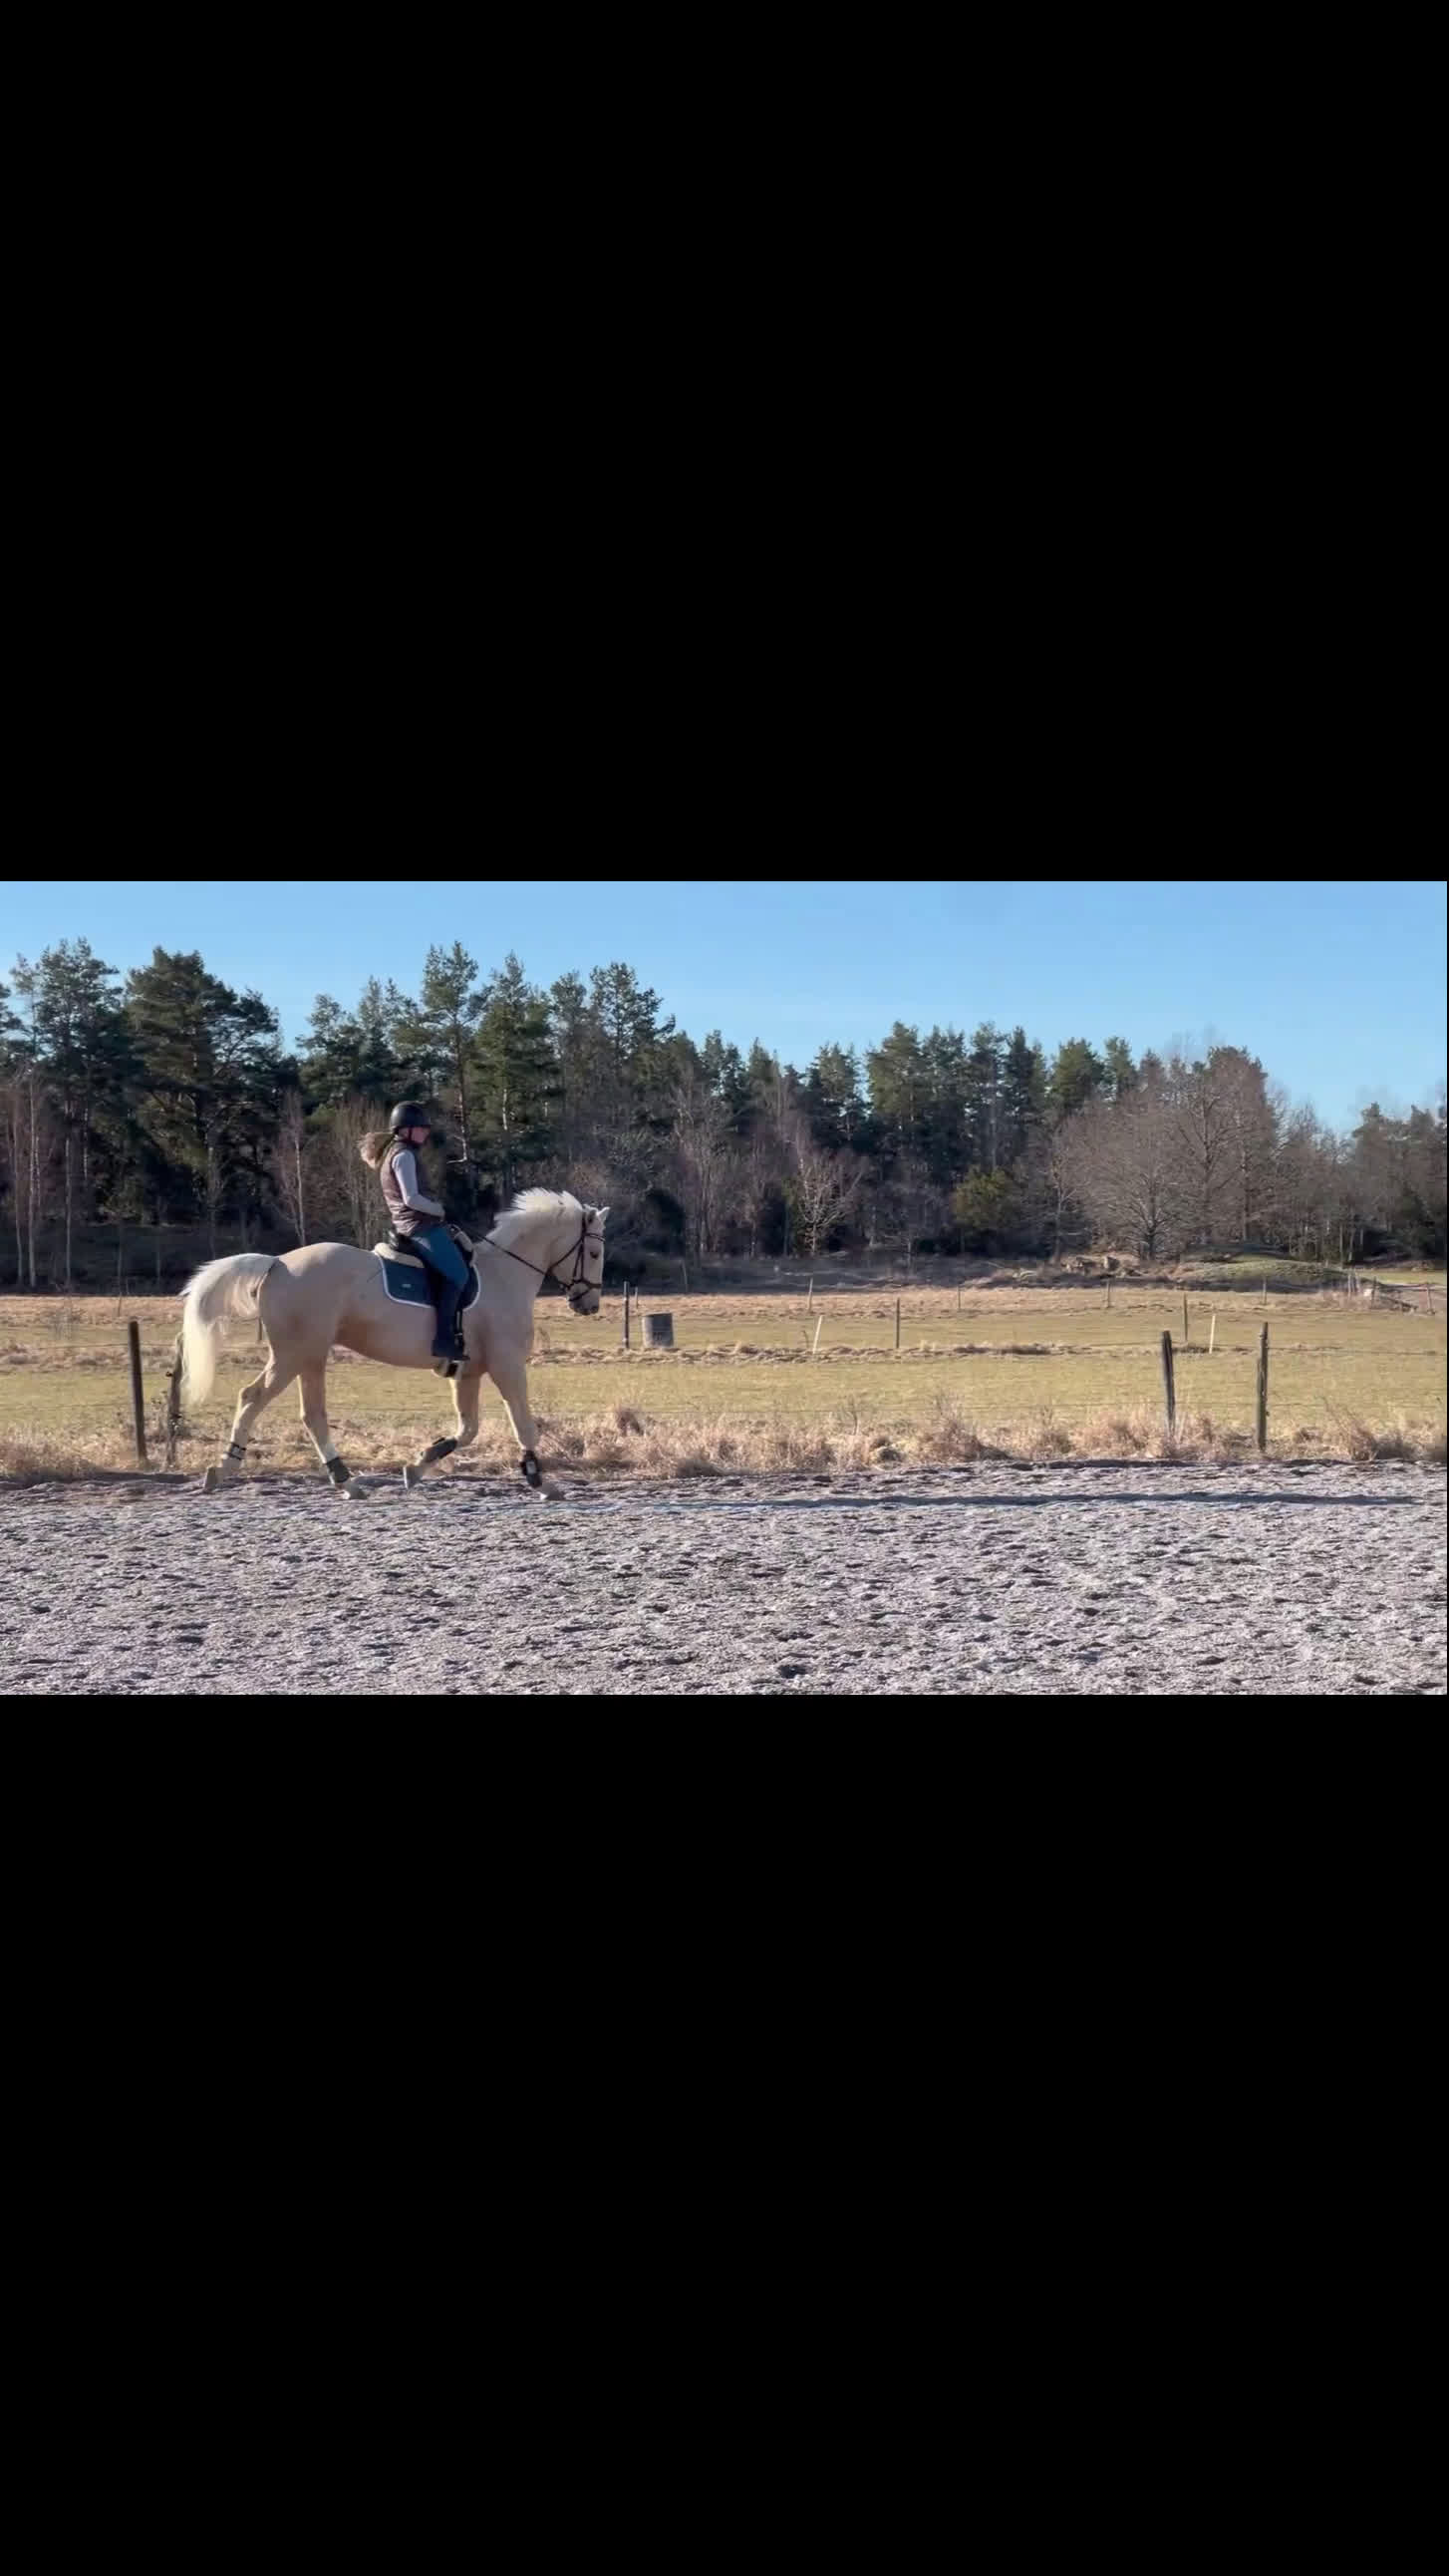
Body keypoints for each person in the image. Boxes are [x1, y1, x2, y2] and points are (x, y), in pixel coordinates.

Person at [360, 1103, 470, 1361]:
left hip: (417, 1224)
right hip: (418, 1227)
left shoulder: (397, 1153)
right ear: (406, 1130)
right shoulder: (404, 1155)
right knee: (458, 1273)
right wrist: (438, 1209)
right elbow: (411, 1198)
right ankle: (443, 1340)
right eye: (421, 1128)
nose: (426, 1133)